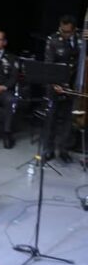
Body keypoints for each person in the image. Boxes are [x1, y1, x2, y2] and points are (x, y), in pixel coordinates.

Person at [43, 15, 85, 162]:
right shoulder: (53, 39)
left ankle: (63, 150)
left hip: (74, 85)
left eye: (67, 32)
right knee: (51, 118)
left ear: (73, 30)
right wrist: (55, 84)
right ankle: (48, 149)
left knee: (69, 119)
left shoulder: (82, 37)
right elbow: (49, 64)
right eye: (62, 30)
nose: (63, 33)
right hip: (56, 84)